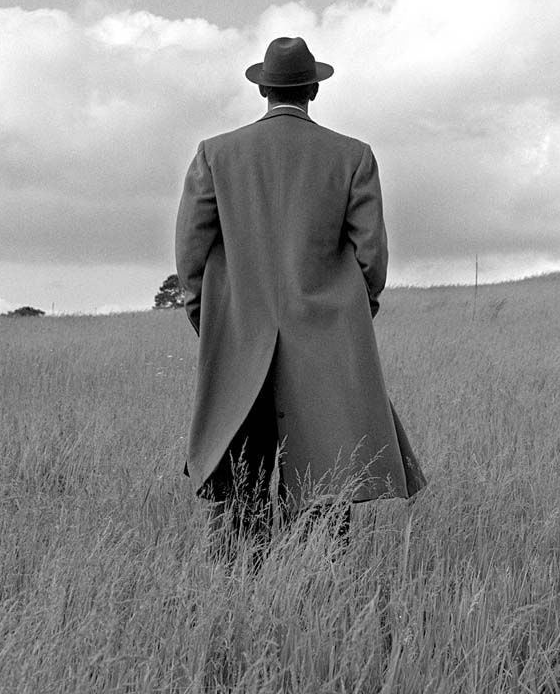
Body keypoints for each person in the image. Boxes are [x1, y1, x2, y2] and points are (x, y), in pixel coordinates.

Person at [175, 37, 425, 559]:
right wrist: (350, 317)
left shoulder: (215, 154)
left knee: (238, 495)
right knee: (323, 487)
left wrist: (213, 321)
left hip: (240, 341)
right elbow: (371, 256)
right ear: (314, 88)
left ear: (263, 88)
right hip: (325, 343)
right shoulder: (353, 155)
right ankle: (314, 597)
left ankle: (239, 596)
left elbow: (191, 253)